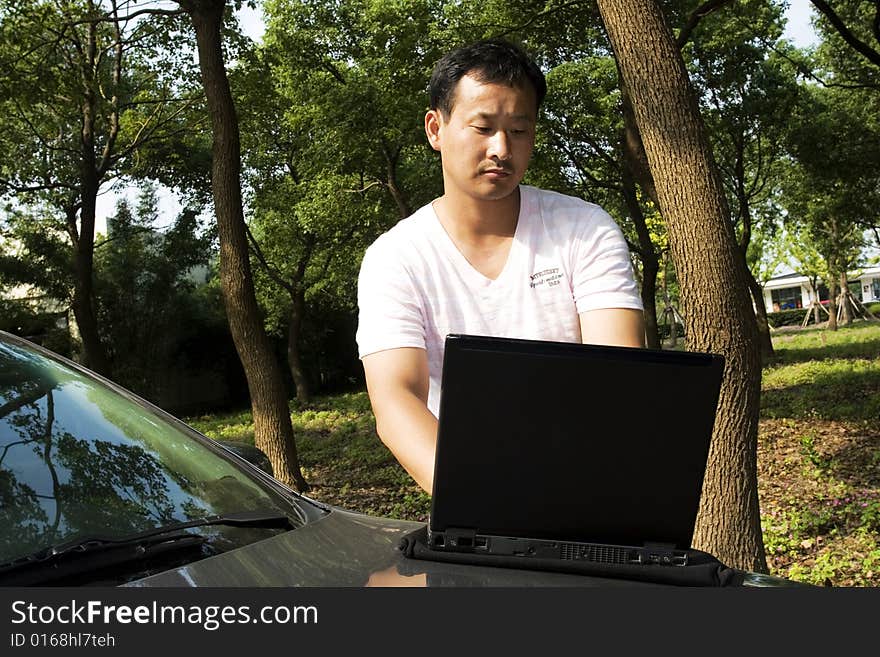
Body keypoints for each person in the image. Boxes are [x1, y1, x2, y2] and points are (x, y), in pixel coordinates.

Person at [356, 38, 645, 494]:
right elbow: (397, 401)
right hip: (467, 491)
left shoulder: (584, 229)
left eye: (519, 129)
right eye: (483, 126)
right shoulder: (395, 258)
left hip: (591, 483)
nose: (501, 149)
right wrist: (478, 500)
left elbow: (620, 376)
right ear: (436, 128)